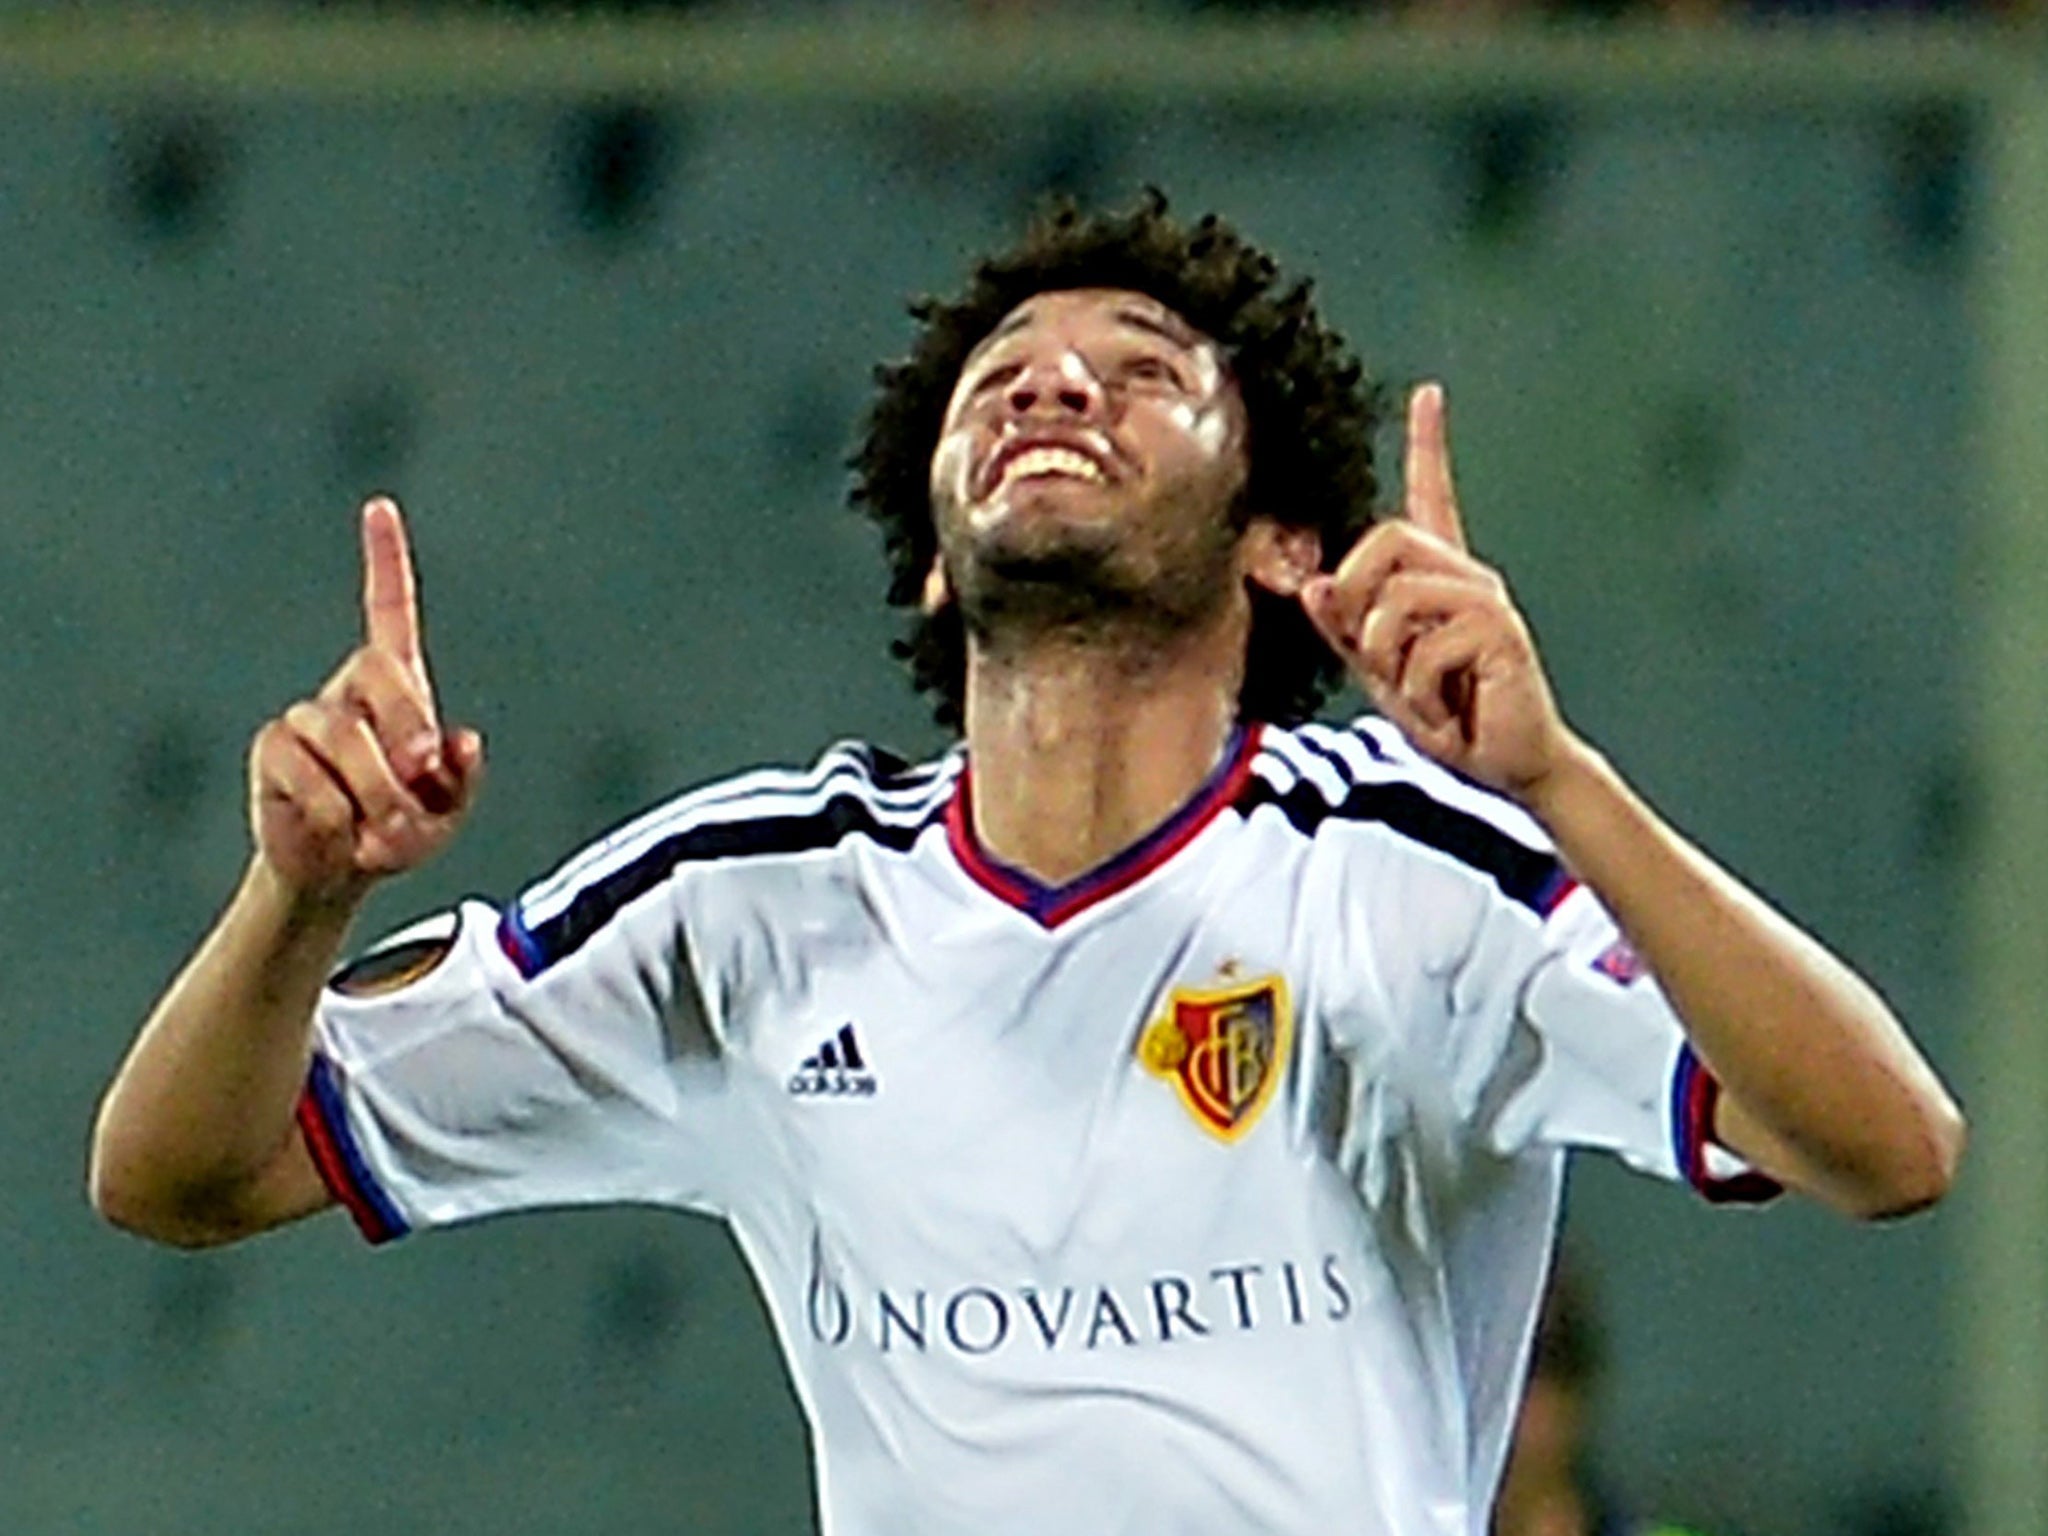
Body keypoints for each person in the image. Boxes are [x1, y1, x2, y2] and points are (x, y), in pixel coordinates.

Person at [90, 195, 1964, 1535]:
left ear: (1281, 542)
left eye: (1140, 371)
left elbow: (1890, 1148)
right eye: (1005, 374)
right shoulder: (755, 907)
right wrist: (301, 900)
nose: (1052, 391)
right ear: (926, 552)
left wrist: (1558, 779)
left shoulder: (1417, 884)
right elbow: (176, 1171)